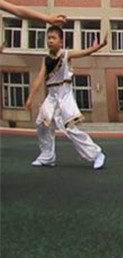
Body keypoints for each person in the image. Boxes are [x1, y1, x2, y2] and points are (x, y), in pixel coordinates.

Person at [25, 26, 107, 170]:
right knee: (41, 125)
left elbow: (84, 52)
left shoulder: (66, 54)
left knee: (71, 129)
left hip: (64, 95)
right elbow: (39, 79)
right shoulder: (46, 60)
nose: (50, 41)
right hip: (51, 96)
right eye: (48, 38)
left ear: (61, 41)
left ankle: (96, 154)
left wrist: (98, 47)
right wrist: (30, 97)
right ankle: (47, 157)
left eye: (53, 38)